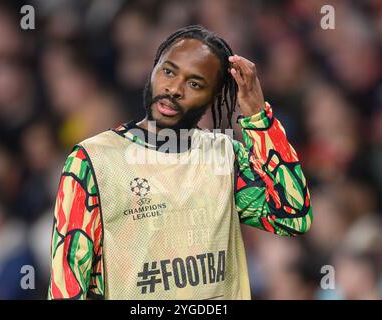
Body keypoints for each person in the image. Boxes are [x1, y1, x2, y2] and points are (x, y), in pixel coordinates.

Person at [48, 25, 312, 300]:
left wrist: (258, 118)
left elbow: (293, 216)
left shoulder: (223, 156)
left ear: (213, 96)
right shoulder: (92, 161)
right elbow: (67, 283)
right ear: (153, 68)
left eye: (194, 83)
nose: (174, 89)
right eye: (169, 71)